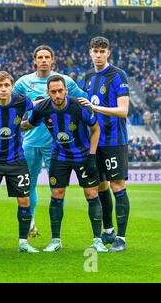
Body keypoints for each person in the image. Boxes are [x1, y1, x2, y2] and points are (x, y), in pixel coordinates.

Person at [22, 75, 107, 252]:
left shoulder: (80, 107)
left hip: (83, 156)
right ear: (48, 93)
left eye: (60, 91)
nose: (58, 94)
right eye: (53, 92)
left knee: (91, 193)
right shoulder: (43, 108)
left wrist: (92, 156)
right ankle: (55, 241)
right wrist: (9, 125)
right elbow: (30, 123)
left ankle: (97, 240)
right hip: (59, 156)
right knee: (57, 193)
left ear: (66, 90)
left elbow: (96, 128)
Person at [12, 45, 88, 238]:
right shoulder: (23, 82)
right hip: (30, 141)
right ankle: (30, 223)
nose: (44, 60)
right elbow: (11, 103)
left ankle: (56, 233)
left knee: (57, 188)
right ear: (35, 60)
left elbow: (84, 101)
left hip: (56, 144)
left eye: (47, 57)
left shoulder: (66, 82)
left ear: (53, 59)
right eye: (40, 57)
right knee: (29, 184)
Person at [0, 71, 40, 254]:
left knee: (24, 200)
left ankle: (23, 242)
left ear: (12, 86)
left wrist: (29, 124)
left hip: (16, 160)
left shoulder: (22, 101)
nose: (3, 89)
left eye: (6, 86)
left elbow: (38, 111)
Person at [78, 36, 130, 252]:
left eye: (102, 51)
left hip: (114, 141)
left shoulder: (118, 75)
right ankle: (107, 231)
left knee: (118, 186)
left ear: (108, 53)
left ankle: (121, 237)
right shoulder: (88, 77)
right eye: (95, 51)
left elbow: (123, 111)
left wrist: (95, 108)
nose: (98, 54)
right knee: (100, 186)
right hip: (94, 141)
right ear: (90, 53)